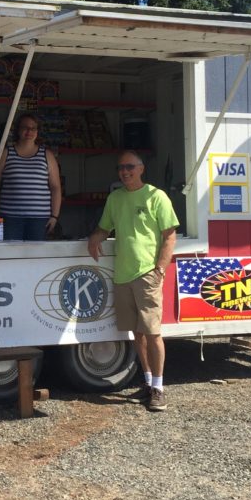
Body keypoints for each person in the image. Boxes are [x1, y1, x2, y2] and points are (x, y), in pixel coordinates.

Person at [87, 150, 178, 411]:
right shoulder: (115, 198)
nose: (124, 171)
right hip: (122, 275)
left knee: (153, 333)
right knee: (136, 333)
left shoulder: (156, 196)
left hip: (147, 274)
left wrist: (159, 269)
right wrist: (95, 236)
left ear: (141, 169)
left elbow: (170, 235)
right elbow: (105, 228)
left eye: (129, 167)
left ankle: (159, 388)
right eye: (120, 168)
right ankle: (148, 382)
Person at [0, 113, 62, 241]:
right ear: (18, 130)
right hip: (10, 218)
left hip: (39, 220)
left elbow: (55, 187)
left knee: (36, 258)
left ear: (38, 131)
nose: (29, 131)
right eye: (25, 127)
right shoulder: (6, 153)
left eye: (33, 128)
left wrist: (54, 216)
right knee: (10, 257)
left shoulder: (47, 155)